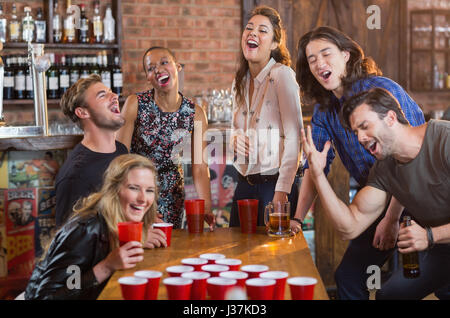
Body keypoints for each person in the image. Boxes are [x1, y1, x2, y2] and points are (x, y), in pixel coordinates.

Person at [293, 26, 426, 300]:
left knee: (431, 277)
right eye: (312, 59)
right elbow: (314, 168)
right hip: (376, 198)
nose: (319, 63)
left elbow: (412, 159)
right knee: (350, 277)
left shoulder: (381, 91)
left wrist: (392, 218)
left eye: (325, 54)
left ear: (346, 55)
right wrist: (296, 218)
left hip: (422, 192)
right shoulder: (324, 110)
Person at [302, 87, 450, 299]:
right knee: (388, 295)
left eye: (364, 126)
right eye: (356, 132)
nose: (360, 137)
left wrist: (429, 235)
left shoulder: (445, 139)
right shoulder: (384, 168)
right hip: (441, 249)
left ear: (390, 118)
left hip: (436, 239)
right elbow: (349, 226)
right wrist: (318, 176)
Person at [25, 154, 167, 300]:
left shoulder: (122, 220)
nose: (143, 199)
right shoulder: (86, 230)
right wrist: (106, 266)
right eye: (134, 188)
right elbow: (47, 297)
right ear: (114, 189)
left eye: (149, 190)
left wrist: (139, 239)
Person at [117, 46, 214, 231]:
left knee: (169, 251)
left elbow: (200, 167)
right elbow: (119, 159)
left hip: (172, 196)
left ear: (177, 67)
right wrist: (136, 199)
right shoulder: (134, 104)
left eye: (164, 63)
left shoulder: (196, 113)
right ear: (148, 77)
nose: (158, 70)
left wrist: (207, 205)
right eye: (151, 68)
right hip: (137, 193)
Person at [229, 5, 302, 227]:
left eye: (262, 30)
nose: (252, 33)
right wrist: (234, 139)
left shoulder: (282, 75)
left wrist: (282, 190)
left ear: (274, 43)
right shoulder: (239, 82)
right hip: (244, 185)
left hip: (274, 186)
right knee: (237, 255)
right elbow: (234, 128)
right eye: (249, 28)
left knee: (274, 259)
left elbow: (295, 138)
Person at [55, 74, 128, 227]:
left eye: (111, 91)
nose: (114, 96)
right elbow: (70, 243)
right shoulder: (76, 175)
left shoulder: (121, 151)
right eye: (103, 95)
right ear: (83, 112)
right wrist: (134, 236)